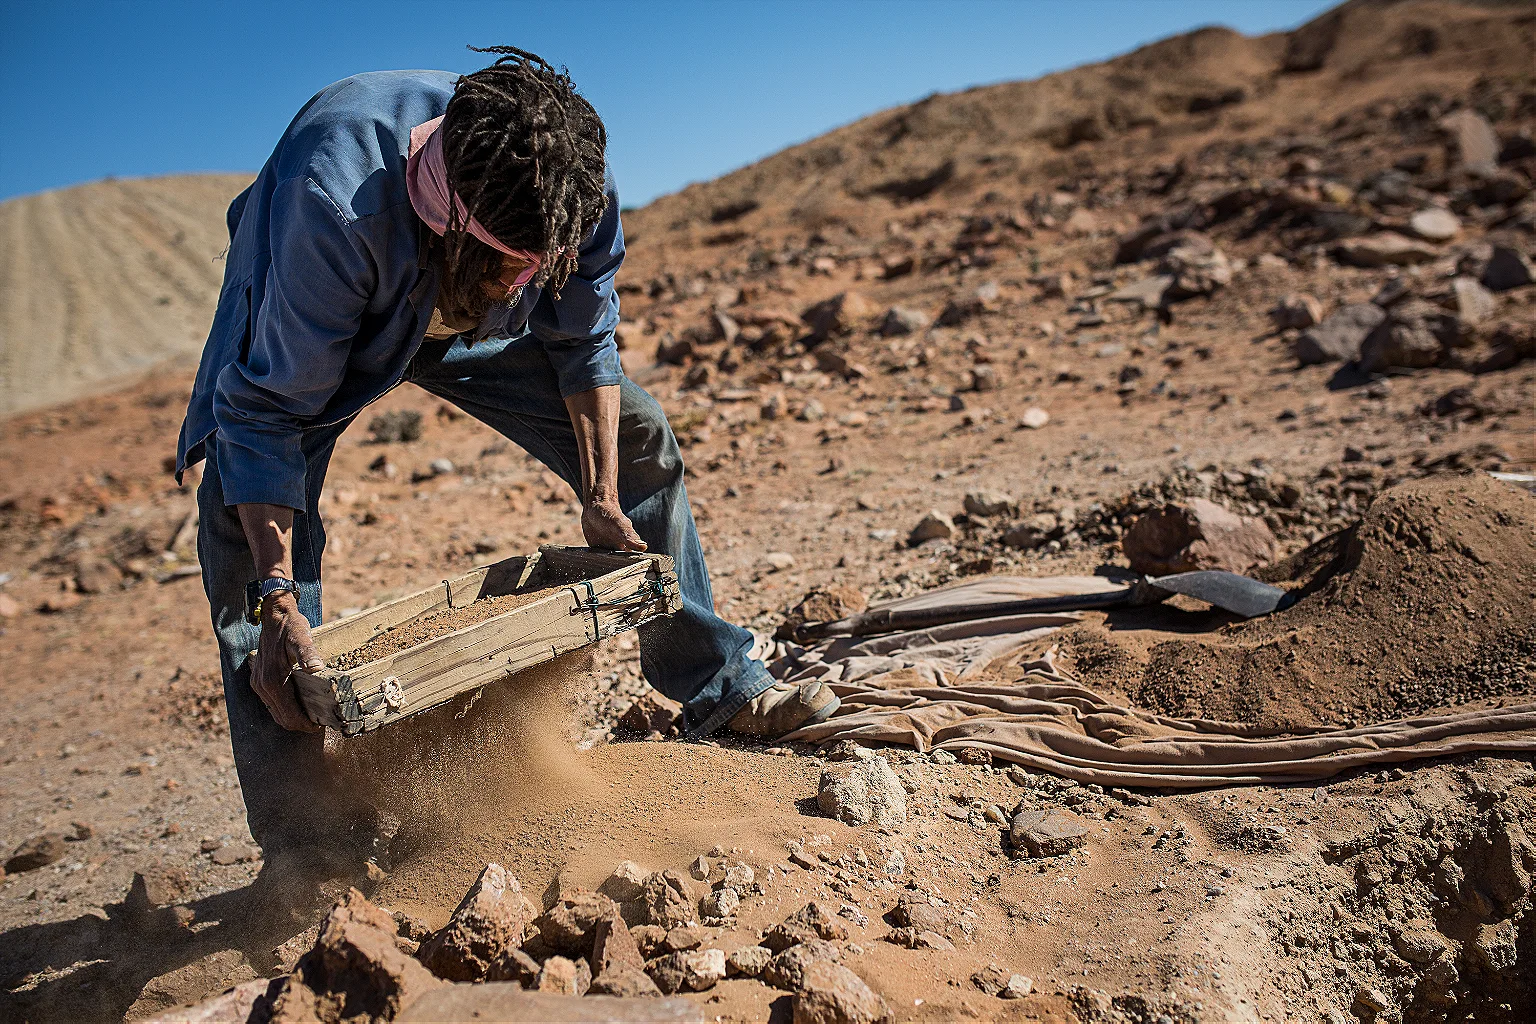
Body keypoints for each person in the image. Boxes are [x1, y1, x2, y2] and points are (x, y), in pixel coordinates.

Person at [175, 47, 838, 868]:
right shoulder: (333, 211)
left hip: (458, 299)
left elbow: (584, 341)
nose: (525, 282)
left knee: (633, 436)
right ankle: (310, 849)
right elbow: (267, 413)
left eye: (539, 267)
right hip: (338, 303)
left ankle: (718, 687)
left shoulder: (570, 189)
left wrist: (601, 493)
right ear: (453, 222)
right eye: (511, 265)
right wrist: (278, 596)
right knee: (246, 543)